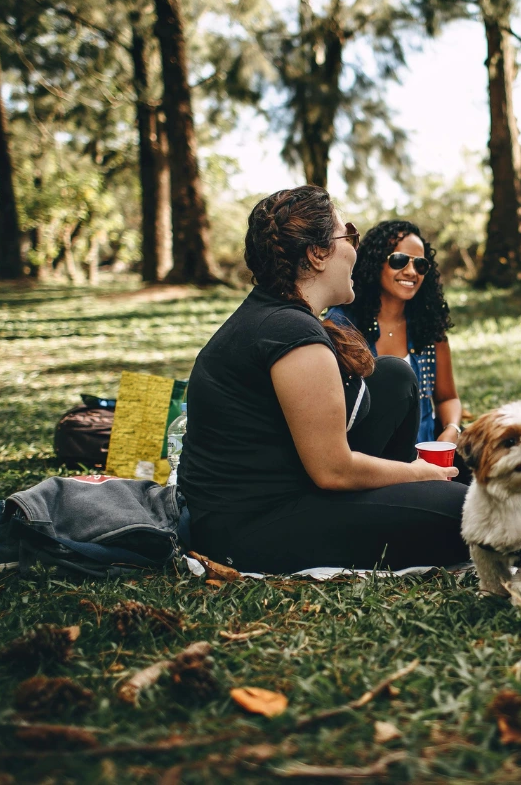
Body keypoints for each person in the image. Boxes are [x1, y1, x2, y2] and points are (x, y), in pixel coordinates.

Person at [179, 187, 468, 574]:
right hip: (249, 527)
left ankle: (409, 497)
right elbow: (333, 471)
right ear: (317, 254)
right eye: (347, 235)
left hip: (291, 486)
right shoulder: (290, 333)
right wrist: (419, 472)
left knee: (394, 376)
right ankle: (416, 497)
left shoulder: (280, 315)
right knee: (467, 512)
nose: (354, 249)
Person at [327, 221, 463, 449]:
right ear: (375, 262)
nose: (411, 272)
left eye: (420, 265)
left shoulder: (428, 326)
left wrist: (451, 430)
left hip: (425, 458)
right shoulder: (342, 325)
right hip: (367, 460)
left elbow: (447, 397)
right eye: (399, 260)